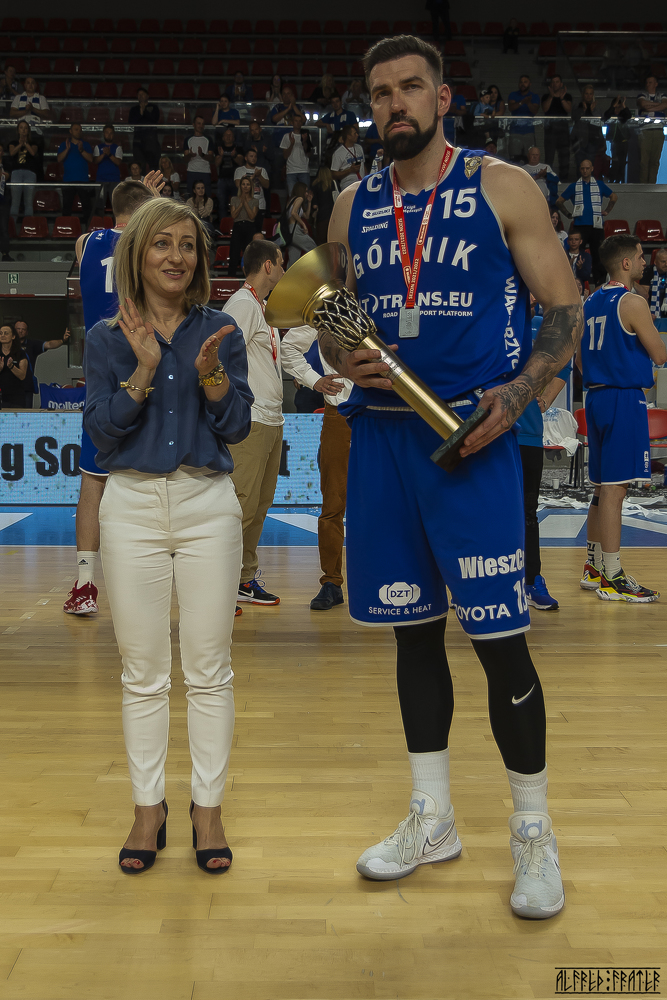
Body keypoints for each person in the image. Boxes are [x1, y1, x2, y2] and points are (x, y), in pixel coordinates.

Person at [323, 33, 582, 919]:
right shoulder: (351, 203)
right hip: (384, 440)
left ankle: (533, 830)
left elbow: (563, 309)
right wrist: (340, 354)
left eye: (409, 87)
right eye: (379, 92)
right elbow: (333, 315)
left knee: (499, 641)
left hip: (472, 438)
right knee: (412, 635)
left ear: (441, 98)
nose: (393, 103)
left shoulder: (501, 186)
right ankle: (431, 817)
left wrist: (517, 396)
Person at [83, 197, 253, 874]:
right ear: (138, 254)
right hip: (130, 507)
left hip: (207, 504)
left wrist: (211, 375)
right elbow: (101, 434)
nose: (176, 256)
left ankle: (207, 809)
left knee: (209, 671)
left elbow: (236, 426)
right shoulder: (106, 337)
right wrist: (145, 369)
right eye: (162, 243)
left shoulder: (222, 331)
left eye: (187, 244)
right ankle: (147, 810)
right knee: (144, 674)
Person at [63, 178, 158, 617]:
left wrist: (143, 199)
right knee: (153, 474)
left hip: (98, 372)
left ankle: (84, 583)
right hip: (142, 366)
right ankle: (147, 582)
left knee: (92, 480)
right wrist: (157, 202)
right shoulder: (147, 245)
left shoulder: (86, 243)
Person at [578, 235, 666, 601]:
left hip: (596, 398)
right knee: (617, 490)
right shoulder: (633, 302)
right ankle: (613, 577)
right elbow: (659, 354)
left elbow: (579, 360)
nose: (645, 262)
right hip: (623, 399)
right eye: (641, 256)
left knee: (602, 488)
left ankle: (594, 566)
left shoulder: (589, 302)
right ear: (626, 263)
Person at [224, 240, 285, 607]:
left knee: (259, 507)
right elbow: (222, 356)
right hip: (252, 419)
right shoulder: (243, 305)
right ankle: (221, 585)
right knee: (241, 506)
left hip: (272, 419)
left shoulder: (262, 307)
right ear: (267, 266)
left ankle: (244, 579)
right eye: (281, 263)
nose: (284, 271)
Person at [280, 326, 353, 610]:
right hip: (340, 413)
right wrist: (313, 379)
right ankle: (331, 581)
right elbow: (288, 347)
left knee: (392, 501)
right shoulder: (328, 307)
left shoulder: (388, 304)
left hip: (387, 414)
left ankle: (389, 576)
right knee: (333, 501)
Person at [517, 300, 572, 612]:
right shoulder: (486, 318)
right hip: (488, 433)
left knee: (527, 511)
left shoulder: (541, 326)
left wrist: (546, 399)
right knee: (483, 508)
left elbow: (563, 364)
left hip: (527, 432)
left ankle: (531, 579)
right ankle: (476, 583)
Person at [556, 159, 617, 285]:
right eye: (583, 168)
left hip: (596, 225)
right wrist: (568, 214)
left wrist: (607, 211)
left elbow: (614, 197)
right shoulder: (574, 186)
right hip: (580, 226)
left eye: (587, 168)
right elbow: (559, 201)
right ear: (580, 169)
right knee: (578, 255)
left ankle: (599, 283)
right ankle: (578, 282)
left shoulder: (599, 184)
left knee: (598, 256)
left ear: (592, 169)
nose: (585, 171)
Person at [57, 122, 94, 223]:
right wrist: (67, 149)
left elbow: (91, 159)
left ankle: (88, 228)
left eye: (80, 130)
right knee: (66, 207)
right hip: (68, 180)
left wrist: (81, 150)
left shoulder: (85, 144)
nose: (78, 132)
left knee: (87, 207)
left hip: (83, 180)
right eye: (76, 129)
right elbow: (59, 159)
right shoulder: (64, 144)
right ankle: (65, 227)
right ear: (70, 131)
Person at [541, 74, 572, 182]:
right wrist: (551, 96)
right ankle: (549, 180)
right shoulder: (546, 96)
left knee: (564, 157)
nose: (555, 84)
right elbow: (545, 109)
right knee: (549, 157)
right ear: (550, 84)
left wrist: (562, 99)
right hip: (550, 130)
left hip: (563, 131)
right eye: (553, 82)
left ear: (561, 84)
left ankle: (563, 180)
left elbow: (568, 109)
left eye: (557, 82)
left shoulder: (567, 96)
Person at [636, 75, 667, 184]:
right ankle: (643, 186)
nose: (648, 84)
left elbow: (665, 105)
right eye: (647, 82)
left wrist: (650, 107)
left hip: (658, 130)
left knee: (655, 161)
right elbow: (643, 104)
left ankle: (652, 185)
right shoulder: (642, 95)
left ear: (656, 84)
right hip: (645, 130)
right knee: (644, 161)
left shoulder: (662, 95)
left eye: (650, 82)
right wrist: (658, 105)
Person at [8, 121, 38, 223]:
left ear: (28, 130)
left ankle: (28, 225)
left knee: (28, 202)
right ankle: (12, 226)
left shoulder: (33, 143)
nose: (23, 130)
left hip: (30, 173)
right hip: (16, 172)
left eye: (25, 128)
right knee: (15, 201)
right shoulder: (13, 143)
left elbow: (33, 152)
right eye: (21, 128)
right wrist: (20, 144)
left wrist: (26, 143)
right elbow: (12, 153)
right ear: (18, 130)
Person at [229, 177, 259, 276]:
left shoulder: (255, 201)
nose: (245, 186)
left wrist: (245, 203)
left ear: (251, 187)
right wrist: (241, 203)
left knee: (248, 254)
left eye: (248, 184)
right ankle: (231, 279)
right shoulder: (234, 199)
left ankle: (249, 278)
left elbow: (252, 216)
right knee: (234, 254)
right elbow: (233, 215)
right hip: (237, 227)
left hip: (249, 227)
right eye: (243, 184)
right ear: (240, 186)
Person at [280, 182, 316, 264]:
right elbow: (294, 213)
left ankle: (290, 273)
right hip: (295, 230)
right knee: (314, 248)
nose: (307, 194)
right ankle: (319, 270)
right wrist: (304, 225)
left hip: (290, 231)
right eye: (305, 191)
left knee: (293, 260)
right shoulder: (299, 198)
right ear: (301, 190)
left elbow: (306, 216)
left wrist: (309, 202)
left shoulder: (291, 200)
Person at [572, 85, 605, 172]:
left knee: (590, 166)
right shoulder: (578, 105)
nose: (588, 96)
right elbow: (574, 117)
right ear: (583, 94)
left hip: (592, 140)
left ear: (593, 95)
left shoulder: (597, 107)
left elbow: (600, 122)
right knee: (580, 165)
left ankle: (589, 181)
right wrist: (583, 110)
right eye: (586, 93)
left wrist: (592, 111)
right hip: (579, 140)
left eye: (590, 94)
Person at [507, 75, 540, 163]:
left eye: (525, 82)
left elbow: (535, 111)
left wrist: (528, 102)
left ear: (530, 84)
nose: (523, 84)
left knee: (529, 159)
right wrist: (522, 102)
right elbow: (511, 108)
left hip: (529, 132)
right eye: (521, 82)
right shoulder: (513, 95)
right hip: (515, 132)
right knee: (514, 159)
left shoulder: (534, 96)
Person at [234, 148, 269, 226]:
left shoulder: (262, 170)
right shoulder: (239, 170)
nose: (254, 158)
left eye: (255, 156)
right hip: (244, 204)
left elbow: (267, 185)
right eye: (251, 156)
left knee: (258, 228)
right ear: (246, 158)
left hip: (260, 204)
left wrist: (259, 176)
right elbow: (238, 184)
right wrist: (252, 177)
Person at [93, 124, 123, 216]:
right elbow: (95, 161)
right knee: (99, 204)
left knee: (116, 205)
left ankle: (116, 223)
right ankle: (100, 223)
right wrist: (104, 154)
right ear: (103, 134)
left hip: (114, 180)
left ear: (113, 134)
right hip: (101, 179)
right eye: (107, 132)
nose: (109, 135)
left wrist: (109, 154)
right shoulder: (98, 147)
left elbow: (118, 162)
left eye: (111, 133)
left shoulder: (118, 148)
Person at [128, 88, 161, 171]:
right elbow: (131, 121)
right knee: (139, 162)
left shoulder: (153, 107)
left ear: (147, 96)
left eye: (142, 94)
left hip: (151, 138)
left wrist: (145, 111)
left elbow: (154, 119)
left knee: (153, 163)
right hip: (138, 138)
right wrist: (140, 112)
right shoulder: (134, 109)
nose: (140, 96)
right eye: (139, 95)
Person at [215, 128, 244, 218]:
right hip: (222, 179)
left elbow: (241, 162)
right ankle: (223, 223)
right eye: (226, 135)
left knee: (236, 204)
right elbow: (216, 164)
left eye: (230, 135)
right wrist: (221, 155)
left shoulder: (238, 148)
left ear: (234, 138)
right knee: (222, 204)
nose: (228, 137)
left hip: (235, 180)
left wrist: (234, 156)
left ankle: (236, 223)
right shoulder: (219, 148)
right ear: (223, 137)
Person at [635, 247, 667, 329]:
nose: (666, 264)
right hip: (651, 314)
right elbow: (644, 295)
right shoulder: (648, 271)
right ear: (655, 262)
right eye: (663, 262)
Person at [183, 116, 213, 198]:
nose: (201, 126)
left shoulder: (208, 139)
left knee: (206, 197)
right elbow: (185, 159)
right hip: (192, 171)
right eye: (199, 123)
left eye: (203, 124)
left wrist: (202, 155)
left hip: (205, 171)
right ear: (193, 124)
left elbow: (211, 158)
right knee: (191, 196)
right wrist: (190, 155)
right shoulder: (188, 139)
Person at [0, 323, 28, 407]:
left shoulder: (20, 353)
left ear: (13, 336)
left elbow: (22, 376)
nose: (3, 335)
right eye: (0, 333)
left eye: (6, 333)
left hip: (16, 396)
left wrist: (12, 367)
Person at [331, 124, 366, 191]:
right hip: (348, 186)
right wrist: (350, 170)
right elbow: (334, 174)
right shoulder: (338, 153)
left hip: (362, 184)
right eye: (355, 133)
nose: (357, 135)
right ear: (348, 136)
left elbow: (363, 165)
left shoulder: (359, 148)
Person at [280, 119, 311, 195]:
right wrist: (292, 144)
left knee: (305, 196)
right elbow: (285, 156)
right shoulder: (286, 136)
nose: (298, 123)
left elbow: (309, 154)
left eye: (300, 121)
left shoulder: (307, 136)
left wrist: (304, 142)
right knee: (292, 195)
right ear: (292, 122)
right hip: (291, 170)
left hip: (304, 170)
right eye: (296, 121)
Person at [310, 165, 336, 245]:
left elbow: (314, 205)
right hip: (333, 215)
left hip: (321, 215)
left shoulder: (315, 185)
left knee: (321, 241)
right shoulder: (334, 184)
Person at [0, 142, 10, 261]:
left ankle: (5, 254)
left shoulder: (6, 163)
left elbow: (7, 176)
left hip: (3, 200)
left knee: (3, 228)